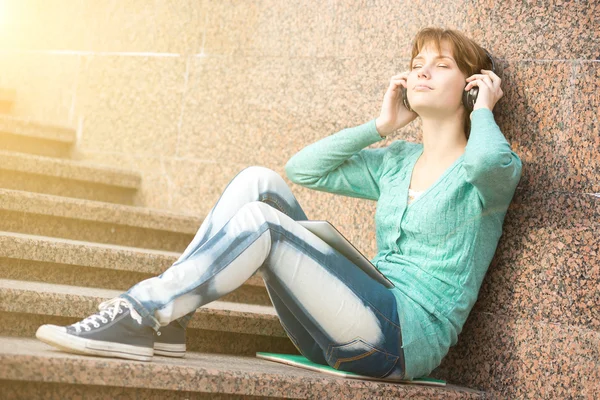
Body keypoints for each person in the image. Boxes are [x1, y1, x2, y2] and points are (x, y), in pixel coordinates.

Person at [35, 26, 522, 381]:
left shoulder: (493, 170)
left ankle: (141, 312)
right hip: (337, 324)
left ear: (472, 84)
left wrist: (483, 112)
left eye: (441, 65)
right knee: (259, 181)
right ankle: (173, 320)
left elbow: (485, 165)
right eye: (416, 65)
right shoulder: (395, 161)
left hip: (396, 343)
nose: (421, 73)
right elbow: (305, 169)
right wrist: (380, 126)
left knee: (264, 224)